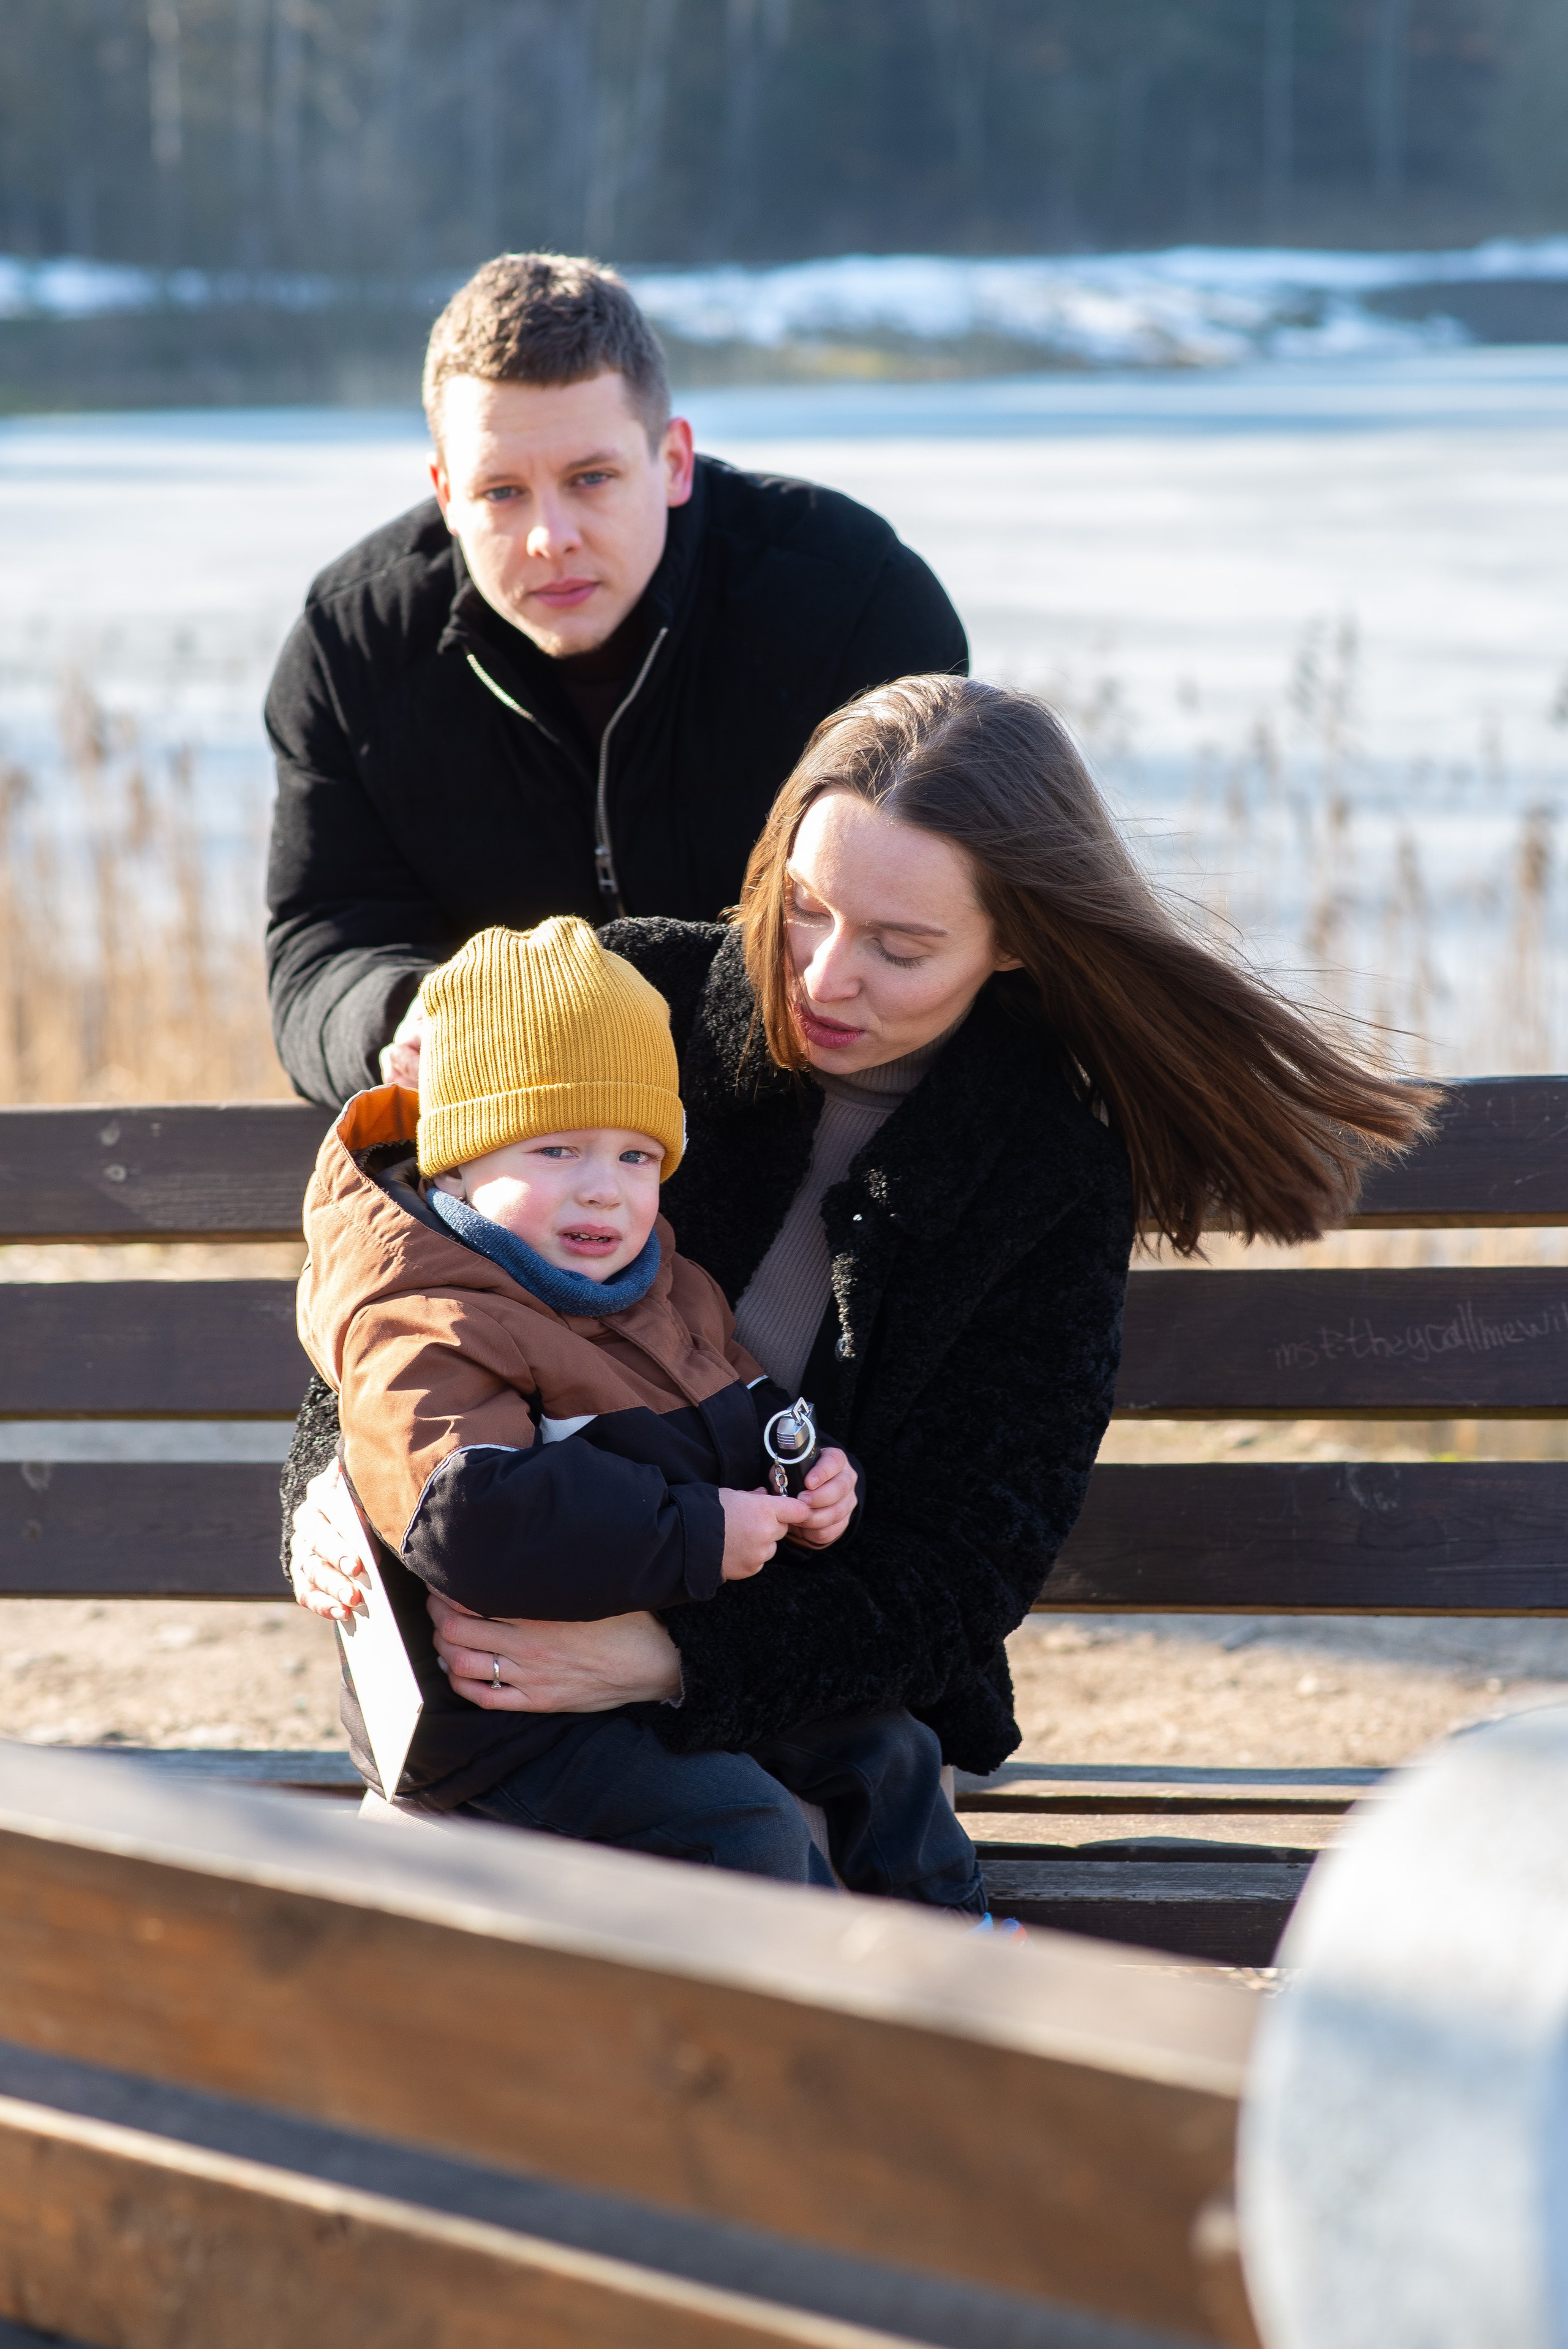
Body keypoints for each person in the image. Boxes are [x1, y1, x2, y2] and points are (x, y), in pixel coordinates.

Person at [289, 674, 1430, 1819]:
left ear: (1014, 945)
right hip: (494, 1670)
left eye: (901, 946)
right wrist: (325, 1495)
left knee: (733, 1849)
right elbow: (410, 1278)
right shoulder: (632, 1000)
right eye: (806, 907)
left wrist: (668, 1661)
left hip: (819, 1713)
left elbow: (963, 1567)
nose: (827, 977)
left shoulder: (1043, 1167)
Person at [299, 911, 986, 1910]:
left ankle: (955, 1942)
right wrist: (700, 1530)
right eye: (557, 1149)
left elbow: (735, 1404)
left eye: (635, 1156)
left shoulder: (659, 1285)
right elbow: (470, 1516)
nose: (604, 1191)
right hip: (505, 1725)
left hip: (648, 1642)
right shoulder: (430, 1322)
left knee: (884, 1744)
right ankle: (814, 1992)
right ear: (457, 1162)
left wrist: (803, 1471)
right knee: (741, 1821)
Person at [264, 252, 968, 1110]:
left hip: (806, 1110)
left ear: (673, 461)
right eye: (501, 492)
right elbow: (324, 937)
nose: (550, 536)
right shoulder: (351, 645)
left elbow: (933, 918)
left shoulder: (855, 600)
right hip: (509, 1133)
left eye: (591, 478)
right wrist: (404, 1018)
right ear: (446, 492)